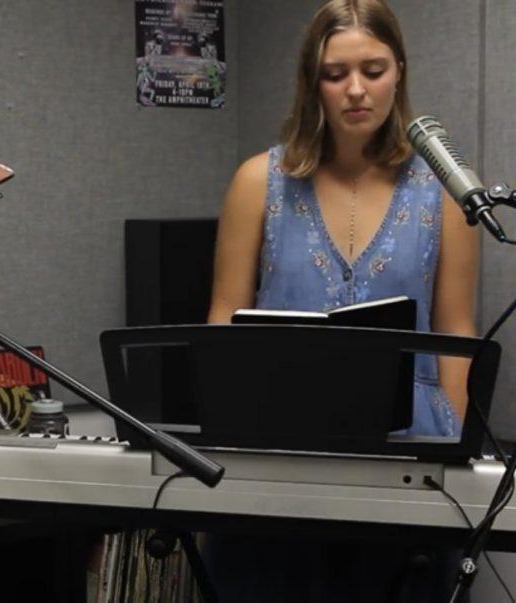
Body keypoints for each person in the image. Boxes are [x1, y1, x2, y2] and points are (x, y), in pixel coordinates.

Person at [204, 0, 477, 600]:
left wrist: (456, 459)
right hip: (278, 448)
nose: (356, 90)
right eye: (335, 74)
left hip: (412, 454)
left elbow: (457, 335)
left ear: (399, 71)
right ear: (313, 82)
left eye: (373, 70)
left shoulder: (446, 195)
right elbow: (223, 317)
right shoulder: (259, 181)